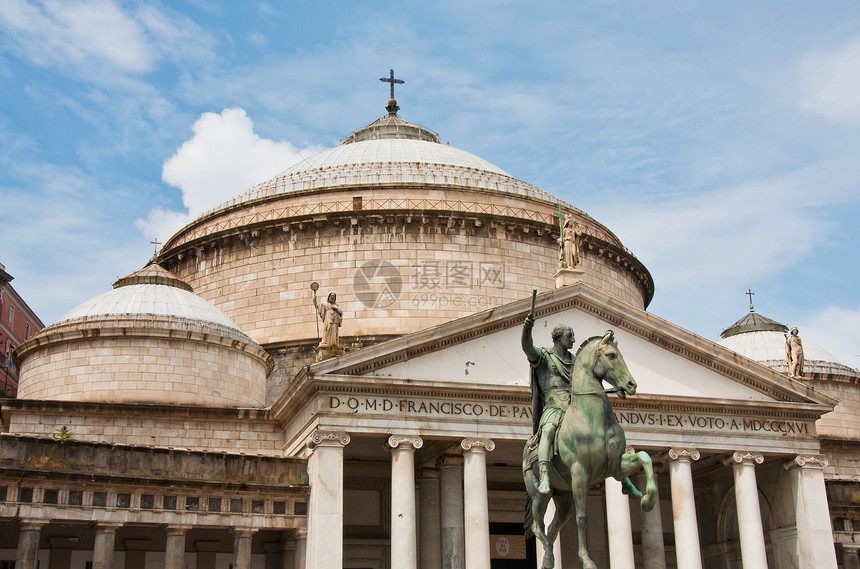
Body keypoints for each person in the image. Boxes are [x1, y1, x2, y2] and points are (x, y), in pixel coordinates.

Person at [522, 315, 575, 494]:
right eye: (570, 336)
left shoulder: (576, 361)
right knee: (548, 430)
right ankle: (544, 474)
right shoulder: (545, 357)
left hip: (573, 407)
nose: (574, 339)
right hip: (553, 406)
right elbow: (528, 348)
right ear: (559, 337)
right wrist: (527, 329)